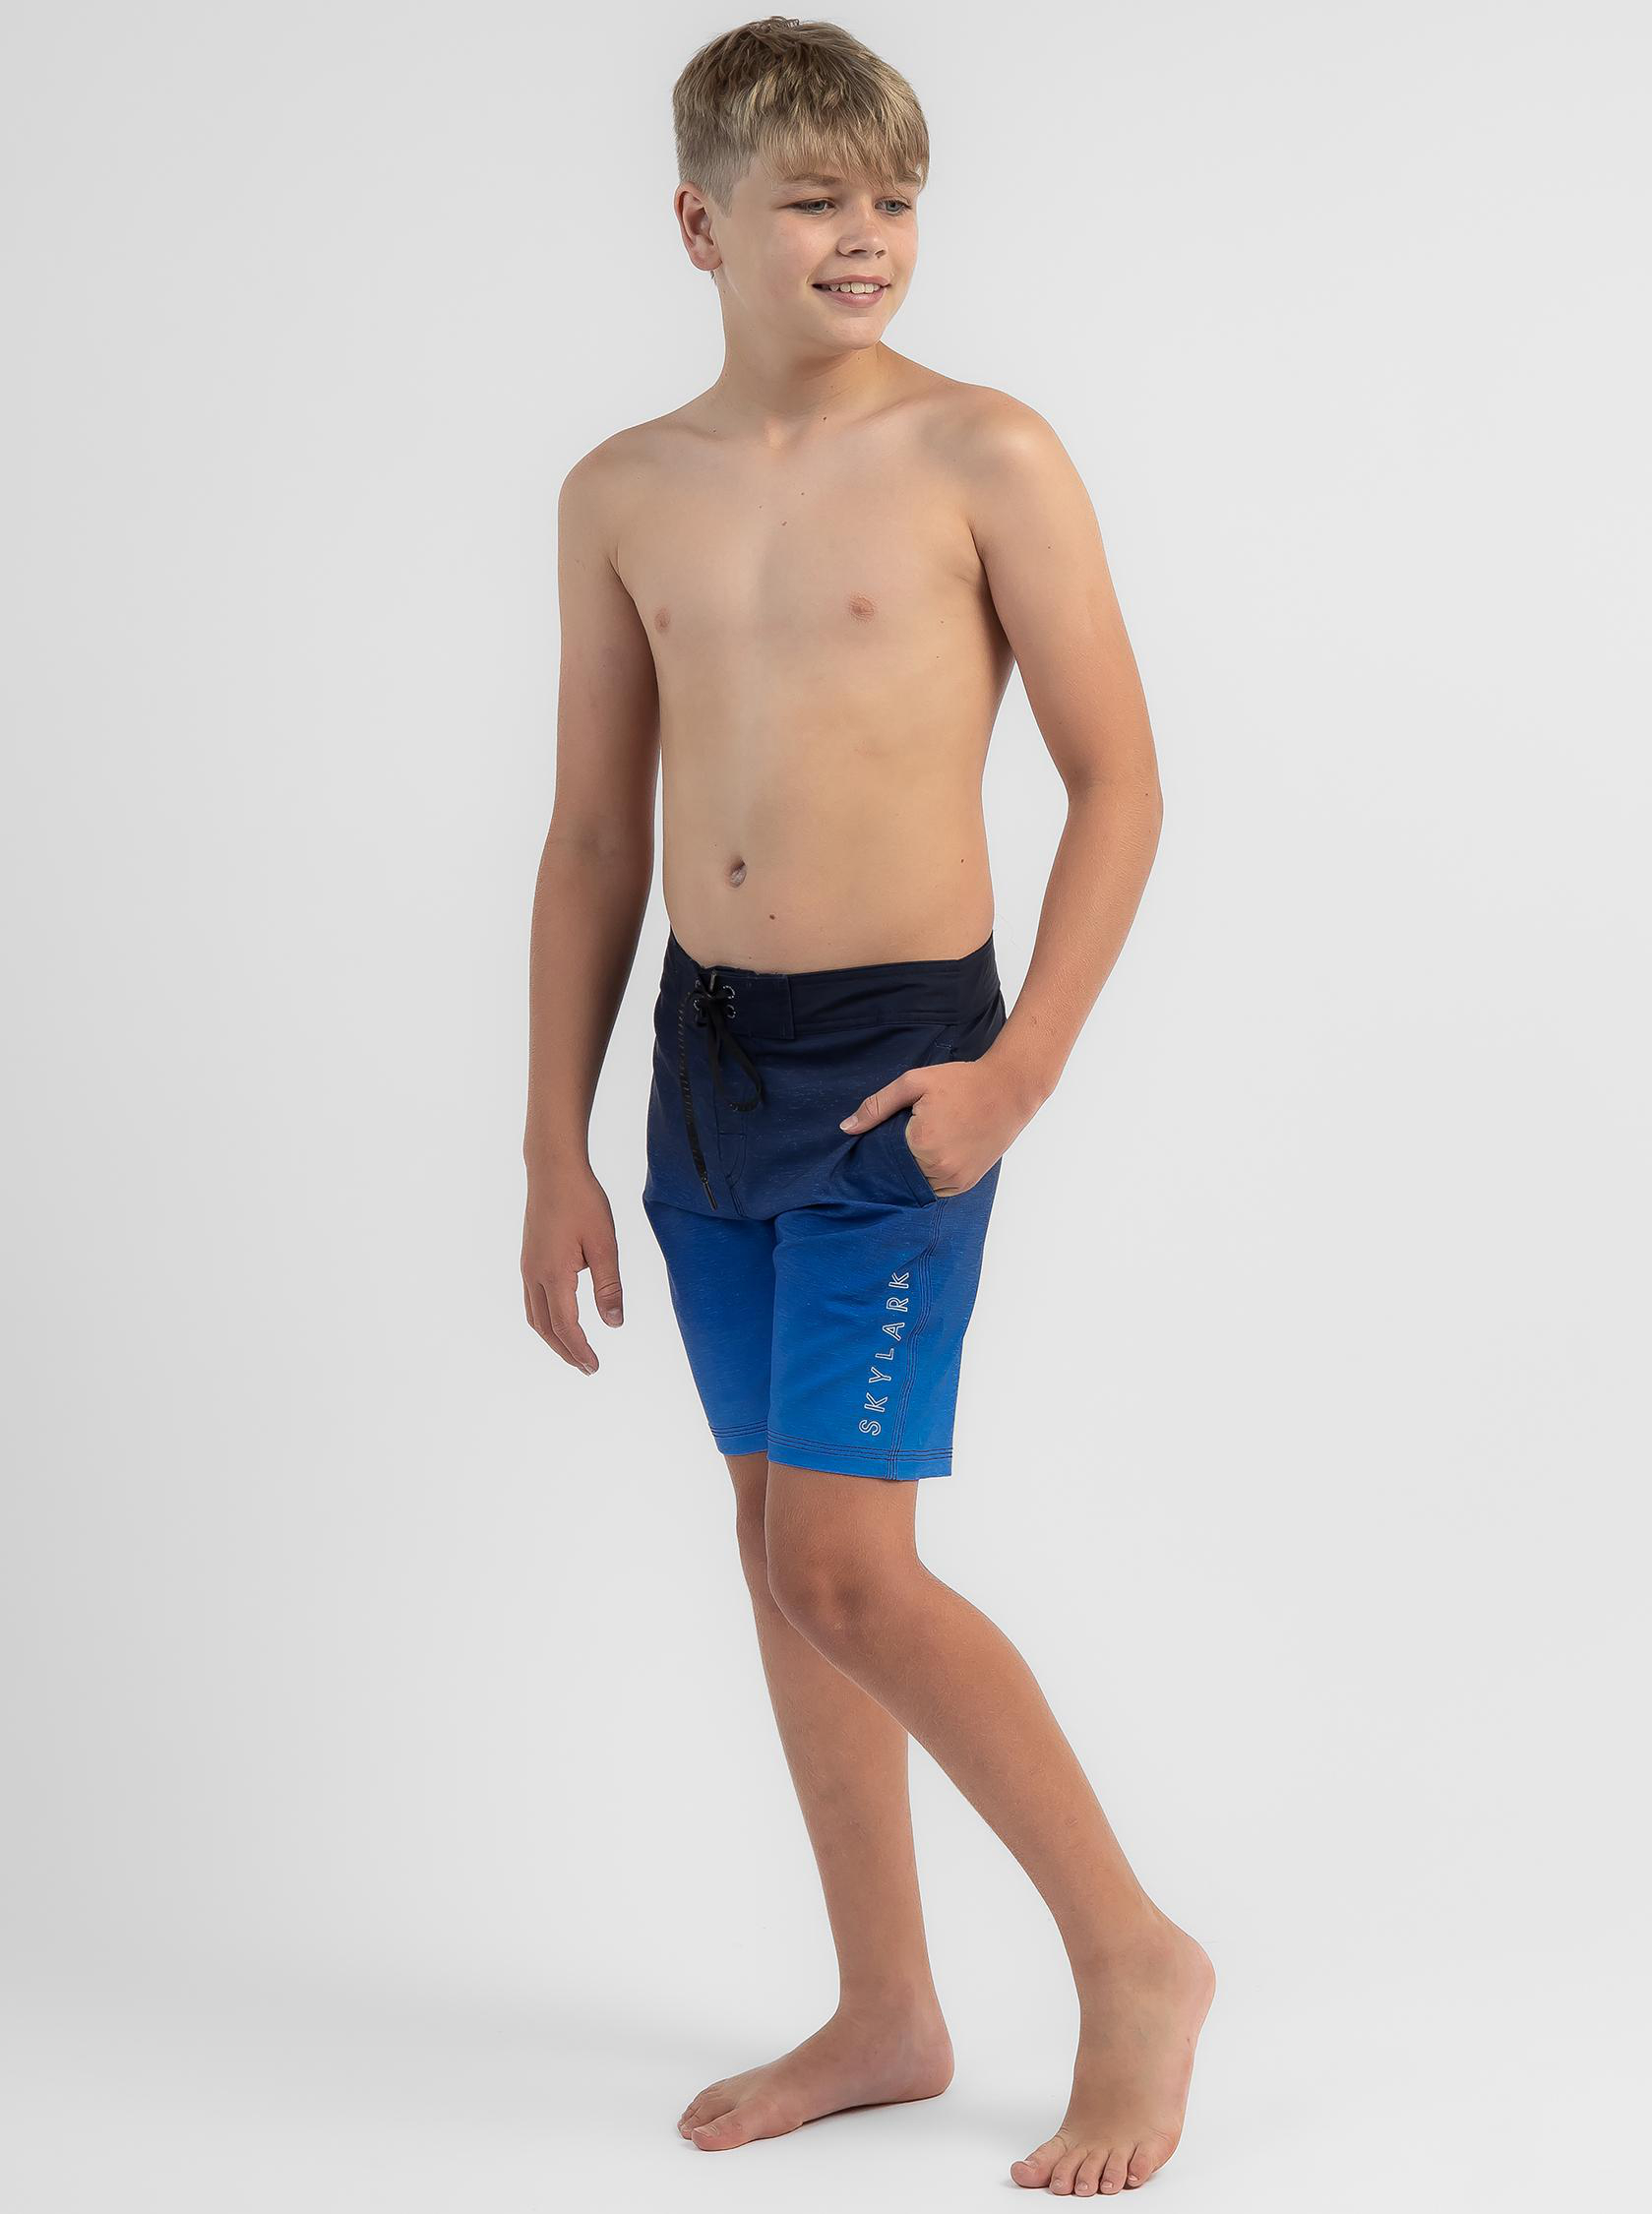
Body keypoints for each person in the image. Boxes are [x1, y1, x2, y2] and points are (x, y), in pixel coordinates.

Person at [520, 16, 1213, 2198]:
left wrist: (1021, 1070)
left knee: (846, 1559)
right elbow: (594, 839)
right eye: (815, 199)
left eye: (894, 199)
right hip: (701, 1070)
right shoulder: (622, 488)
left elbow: (1120, 779)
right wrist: (550, 1140)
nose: (864, 237)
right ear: (699, 221)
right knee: (776, 1549)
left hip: (904, 1066)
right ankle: (889, 2006)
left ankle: (1133, 1957)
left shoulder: (983, 453)